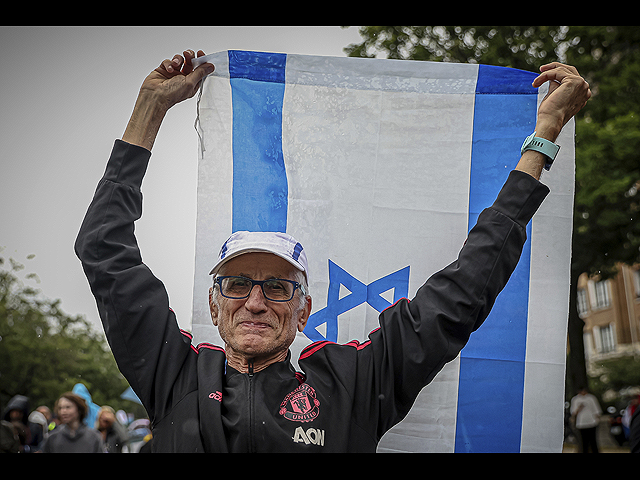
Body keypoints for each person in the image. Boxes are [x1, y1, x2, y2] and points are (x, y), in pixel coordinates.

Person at [75, 50, 591, 452]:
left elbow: (466, 288)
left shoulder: (354, 382)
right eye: (237, 284)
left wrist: (542, 137)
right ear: (213, 303)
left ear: (304, 310)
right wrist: (150, 107)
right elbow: (103, 246)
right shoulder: (174, 371)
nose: (255, 302)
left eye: (277, 287)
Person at [570, 386, 602, 453]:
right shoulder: (575, 399)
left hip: (592, 422)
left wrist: (597, 419)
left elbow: (596, 410)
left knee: (593, 441)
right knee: (584, 442)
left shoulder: (591, 398)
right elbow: (573, 412)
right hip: (581, 423)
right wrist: (579, 408)